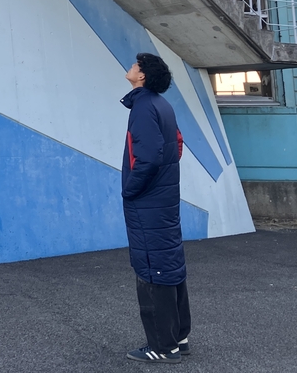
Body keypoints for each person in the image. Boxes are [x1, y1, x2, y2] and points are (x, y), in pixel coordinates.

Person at [120, 52, 190, 364]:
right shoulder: (162, 104)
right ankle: (179, 337)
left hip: (147, 201)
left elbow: (147, 157)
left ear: (143, 76)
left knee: (152, 268)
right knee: (168, 263)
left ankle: (163, 347)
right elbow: (176, 145)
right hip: (163, 197)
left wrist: (130, 189)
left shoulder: (144, 106)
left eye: (136, 65)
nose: (131, 67)